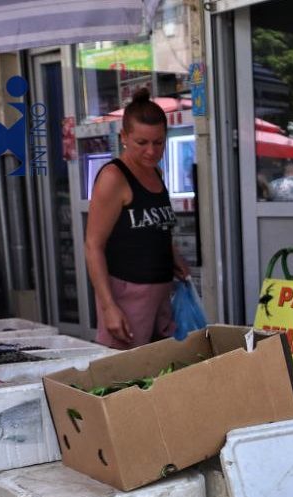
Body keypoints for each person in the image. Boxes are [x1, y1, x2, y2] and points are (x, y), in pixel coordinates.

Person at [85, 88, 190, 349]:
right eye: (141, 143)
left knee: (163, 370)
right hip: (127, 294)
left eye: (159, 142)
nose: (151, 151)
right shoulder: (113, 177)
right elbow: (93, 245)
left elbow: (155, 227)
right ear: (124, 137)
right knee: (127, 378)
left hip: (161, 291)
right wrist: (109, 306)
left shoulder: (156, 173)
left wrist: (173, 256)